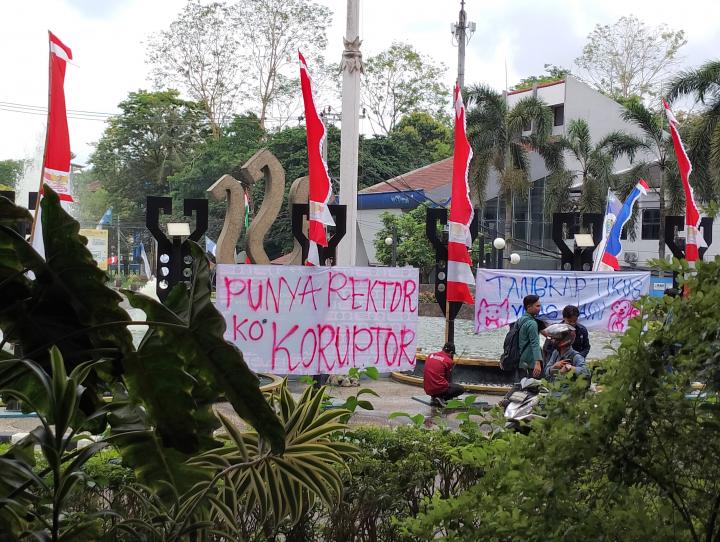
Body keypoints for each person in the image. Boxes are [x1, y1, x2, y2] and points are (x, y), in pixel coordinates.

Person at [423, 342, 463, 407]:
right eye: (452, 354)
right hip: (438, 389)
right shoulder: (448, 361)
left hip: (427, 388)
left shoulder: (430, 355)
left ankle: (434, 397)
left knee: (440, 383)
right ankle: (442, 398)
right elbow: (447, 379)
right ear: (450, 352)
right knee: (460, 389)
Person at [517, 295, 543, 381]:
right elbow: (535, 344)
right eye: (537, 306)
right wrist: (538, 362)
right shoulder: (532, 323)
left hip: (521, 361)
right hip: (531, 364)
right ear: (529, 307)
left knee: (522, 387)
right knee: (533, 389)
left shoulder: (520, 320)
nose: (540, 308)